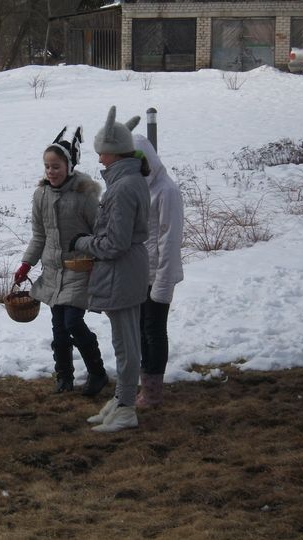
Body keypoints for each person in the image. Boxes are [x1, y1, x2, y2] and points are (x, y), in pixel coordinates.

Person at [71, 106, 150, 432]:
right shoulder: (129, 180)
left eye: (102, 152)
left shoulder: (122, 187)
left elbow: (114, 243)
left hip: (122, 272)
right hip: (127, 271)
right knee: (125, 342)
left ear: (113, 151)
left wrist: (82, 242)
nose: (99, 158)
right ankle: (121, 400)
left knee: (126, 346)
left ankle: (127, 407)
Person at [15, 127, 108, 396]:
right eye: (47, 166)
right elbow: (39, 235)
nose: (51, 171)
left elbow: (99, 231)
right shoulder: (40, 195)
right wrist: (26, 264)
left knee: (72, 323)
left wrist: (96, 259)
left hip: (79, 269)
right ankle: (64, 377)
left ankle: (97, 372)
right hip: (53, 272)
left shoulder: (84, 195)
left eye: (56, 166)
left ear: (69, 166)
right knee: (58, 329)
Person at [133, 134, 184, 408]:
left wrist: (163, 284)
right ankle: (146, 386)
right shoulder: (140, 190)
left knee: (154, 330)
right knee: (142, 329)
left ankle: (153, 392)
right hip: (141, 274)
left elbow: (170, 239)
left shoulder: (167, 191)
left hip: (159, 275)